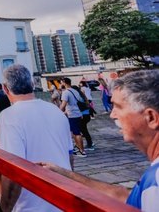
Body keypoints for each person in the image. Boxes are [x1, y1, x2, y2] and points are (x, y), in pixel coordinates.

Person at [40, 70, 159, 211]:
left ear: (151, 117)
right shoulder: (151, 181)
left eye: (119, 107)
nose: (112, 115)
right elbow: (124, 196)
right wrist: (64, 174)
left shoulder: (155, 183)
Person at [0, 64, 72, 212]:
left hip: (32, 205)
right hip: (64, 199)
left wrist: (4, 209)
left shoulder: (9, 115)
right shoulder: (56, 111)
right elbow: (69, 156)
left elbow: (13, 171)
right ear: (32, 84)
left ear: (5, 89)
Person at [60, 77, 87, 158]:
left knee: (76, 133)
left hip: (72, 115)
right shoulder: (75, 91)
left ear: (64, 83)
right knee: (75, 132)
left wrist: (58, 112)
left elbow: (63, 104)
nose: (61, 84)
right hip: (77, 113)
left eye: (61, 82)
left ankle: (82, 151)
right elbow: (77, 102)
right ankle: (79, 148)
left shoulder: (66, 92)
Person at [72, 85, 94, 151]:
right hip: (86, 115)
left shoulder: (78, 96)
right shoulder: (82, 95)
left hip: (83, 116)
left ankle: (89, 145)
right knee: (84, 130)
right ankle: (89, 143)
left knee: (83, 131)